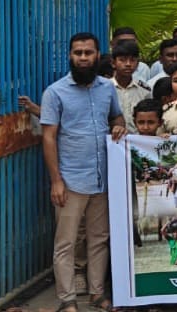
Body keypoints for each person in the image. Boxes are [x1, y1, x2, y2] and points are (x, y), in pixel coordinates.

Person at [41, 31, 125, 312]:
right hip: (70, 180)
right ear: (70, 56)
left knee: (99, 239)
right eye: (78, 53)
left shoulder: (107, 88)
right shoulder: (54, 92)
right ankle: (67, 300)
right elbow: (49, 137)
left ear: (98, 55)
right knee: (65, 242)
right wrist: (56, 181)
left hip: (102, 178)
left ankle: (97, 295)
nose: (83, 58)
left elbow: (116, 115)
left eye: (88, 52)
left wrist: (119, 124)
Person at [110, 38, 151, 133]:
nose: (128, 64)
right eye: (122, 60)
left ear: (137, 64)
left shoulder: (144, 90)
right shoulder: (105, 88)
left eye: (132, 60)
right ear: (113, 63)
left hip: (138, 139)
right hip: (113, 139)